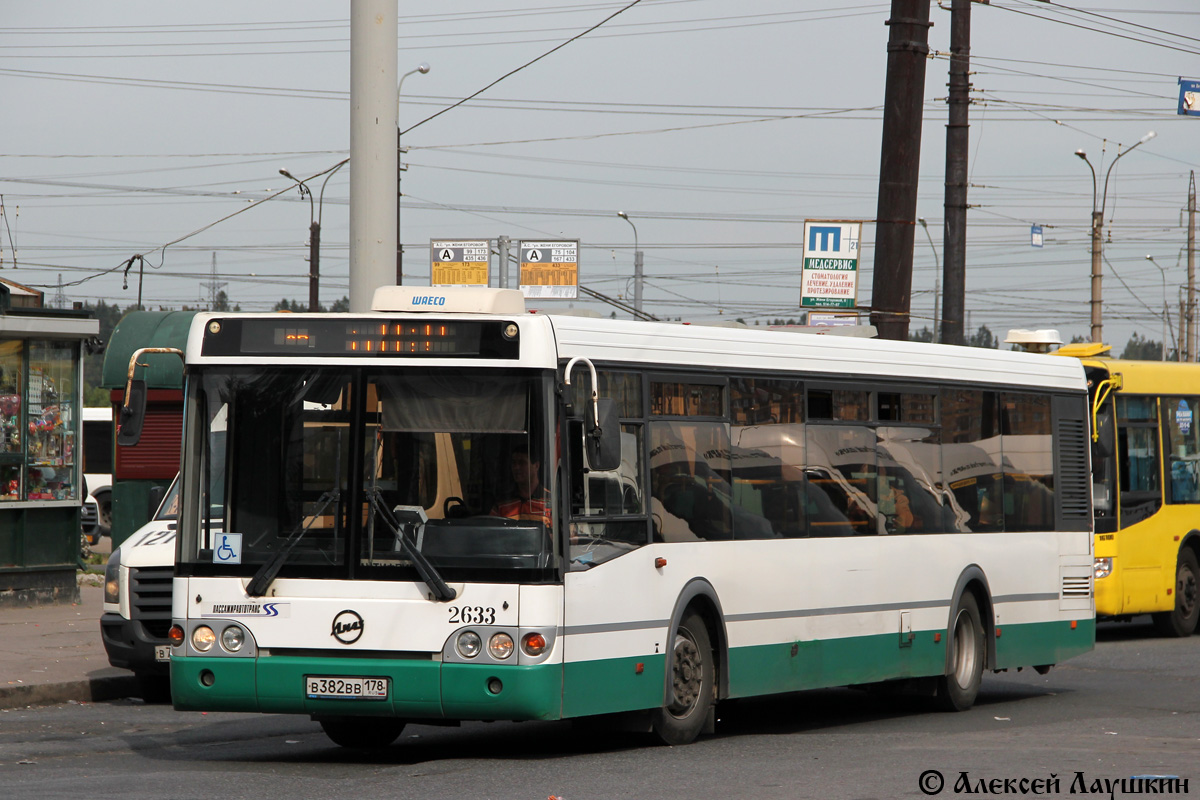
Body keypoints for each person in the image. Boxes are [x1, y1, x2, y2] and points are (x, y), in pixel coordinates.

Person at [491, 450, 552, 527]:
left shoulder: (550, 501)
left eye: (522, 463)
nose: (516, 467)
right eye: (514, 463)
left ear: (536, 466)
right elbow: (492, 533)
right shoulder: (502, 502)